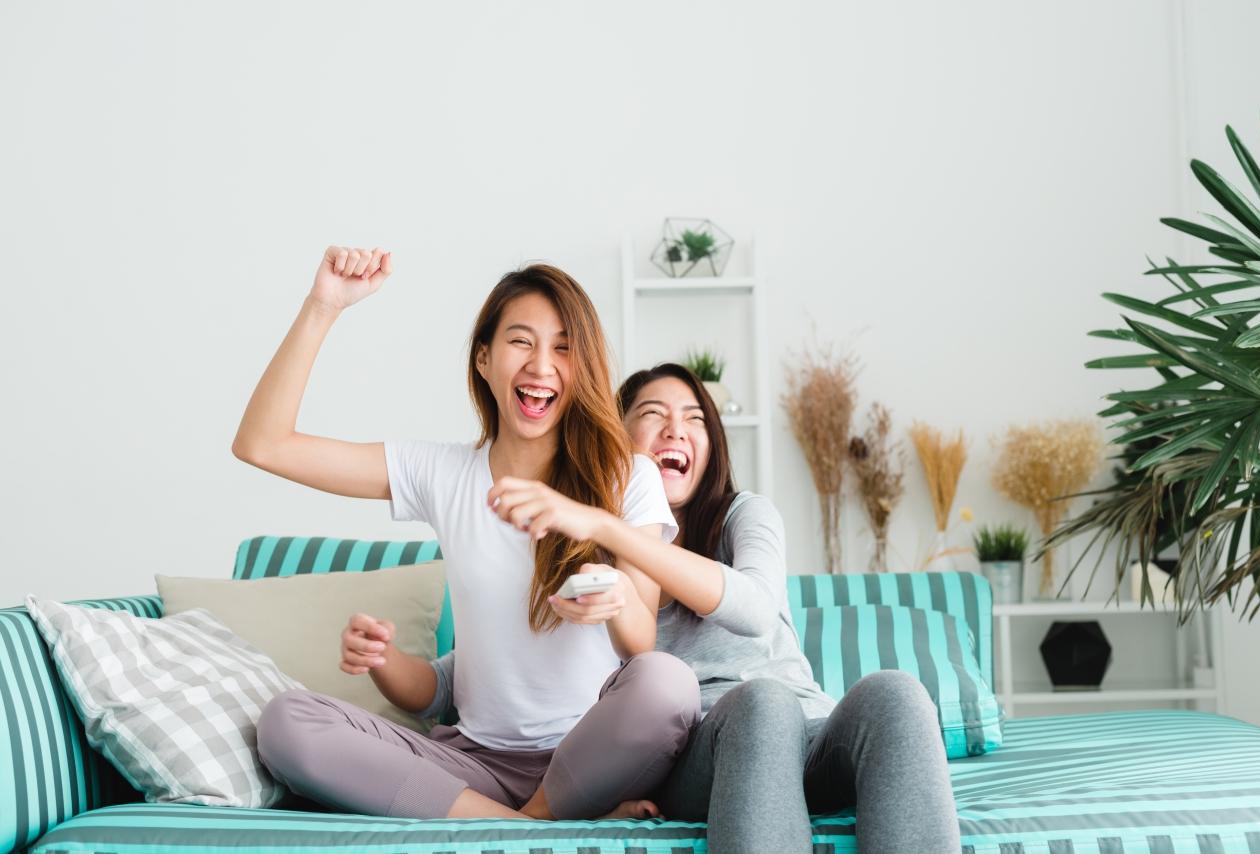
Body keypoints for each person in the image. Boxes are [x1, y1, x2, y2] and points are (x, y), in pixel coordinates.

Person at [232, 246, 700, 821]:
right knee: (287, 721)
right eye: (521, 341)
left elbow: (640, 644)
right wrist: (322, 305)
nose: (541, 366)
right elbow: (263, 444)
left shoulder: (629, 477)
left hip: (589, 761)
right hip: (475, 770)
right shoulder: (443, 473)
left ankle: (531, 819)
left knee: (667, 682)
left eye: (563, 347)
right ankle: (527, 827)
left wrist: (619, 597)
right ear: (484, 358)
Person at [427, 362, 961, 852]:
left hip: (812, 731)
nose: (675, 430)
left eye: (694, 418)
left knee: (898, 693)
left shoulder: (741, 516)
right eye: (652, 414)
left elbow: (755, 609)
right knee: (763, 705)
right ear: (614, 438)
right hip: (701, 752)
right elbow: (514, 654)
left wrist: (608, 527)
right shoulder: (585, 553)